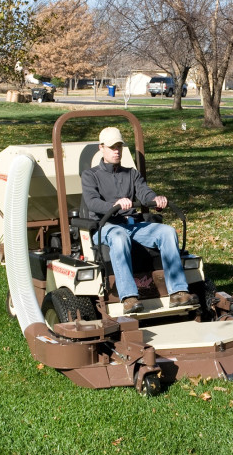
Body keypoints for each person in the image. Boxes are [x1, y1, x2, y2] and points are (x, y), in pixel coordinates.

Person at [81, 126, 198, 314]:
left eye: (119, 146)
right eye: (112, 147)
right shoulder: (91, 175)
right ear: (101, 148)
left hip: (132, 225)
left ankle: (178, 291)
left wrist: (156, 200)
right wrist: (115, 205)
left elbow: (144, 192)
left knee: (166, 231)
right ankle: (128, 297)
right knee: (119, 236)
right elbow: (93, 203)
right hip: (106, 227)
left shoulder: (131, 173)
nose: (116, 151)